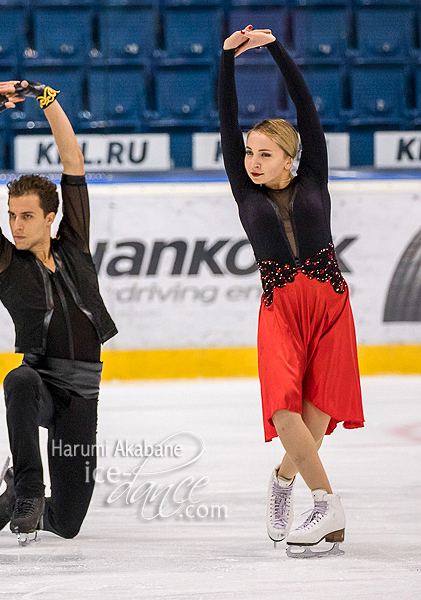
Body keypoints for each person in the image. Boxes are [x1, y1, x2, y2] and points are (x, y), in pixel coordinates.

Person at [219, 26, 364, 557]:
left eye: (264, 153)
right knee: (284, 414)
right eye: (249, 153)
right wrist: (228, 60)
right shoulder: (244, 189)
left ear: (289, 157)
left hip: (329, 307)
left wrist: (276, 49)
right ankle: (326, 501)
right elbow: (226, 119)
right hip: (280, 308)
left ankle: (283, 483)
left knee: (315, 418)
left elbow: (307, 108)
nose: (253, 161)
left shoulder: (315, 178)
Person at [0, 80, 117, 543]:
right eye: (12, 215)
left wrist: (49, 102)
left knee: (68, 525)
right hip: (42, 382)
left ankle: (15, 495)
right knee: (19, 379)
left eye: (26, 216)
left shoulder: (75, 243)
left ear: (50, 218)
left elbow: (74, 164)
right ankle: (30, 487)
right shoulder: (6, 261)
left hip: (82, 395)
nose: (16, 224)